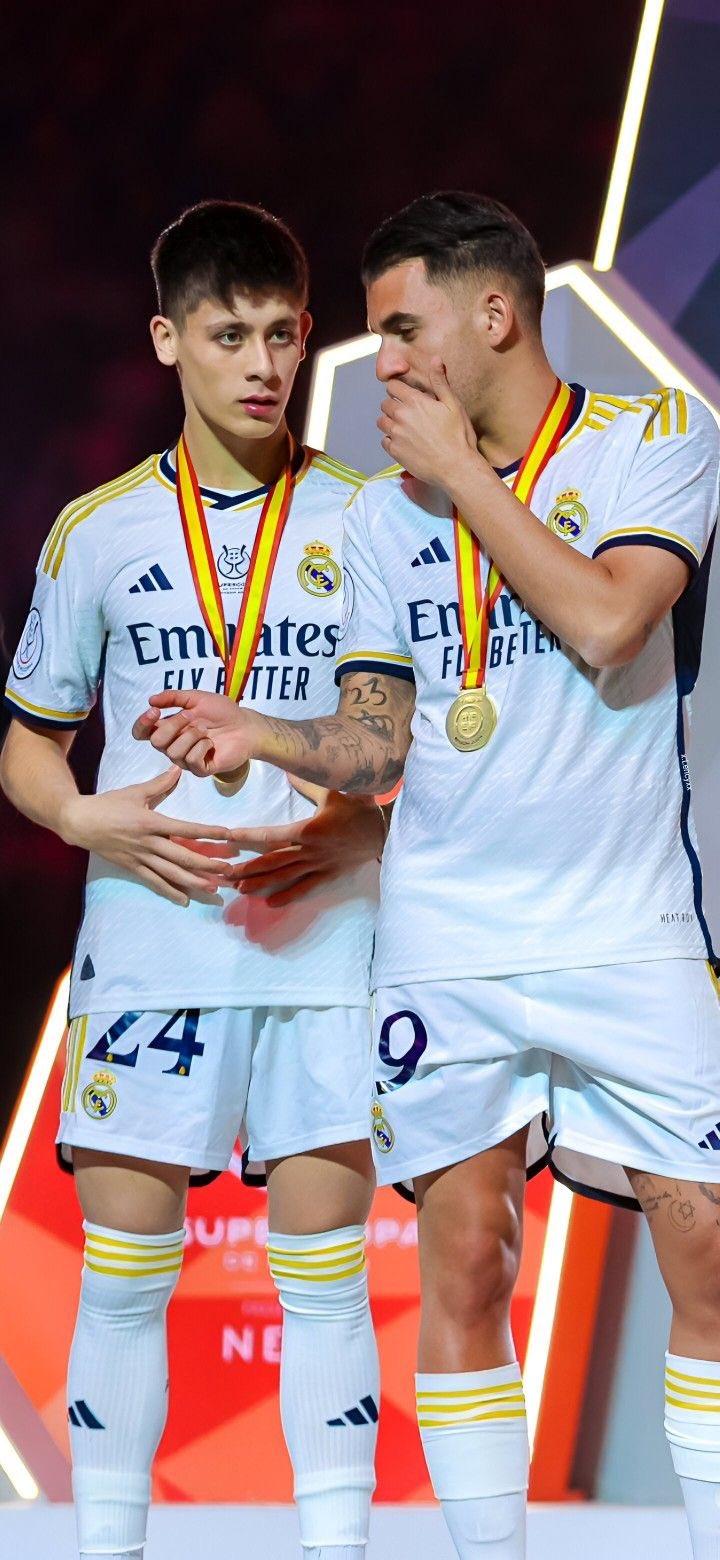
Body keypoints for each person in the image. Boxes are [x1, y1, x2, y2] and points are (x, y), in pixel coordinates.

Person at [137, 191, 720, 1560]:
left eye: (403, 330)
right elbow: (375, 739)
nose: (382, 361)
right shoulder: (383, 522)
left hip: (627, 930)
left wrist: (465, 477)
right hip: (446, 940)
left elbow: (608, 622)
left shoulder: (655, 440)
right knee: (465, 1261)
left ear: (495, 313)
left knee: (705, 1250)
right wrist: (264, 735)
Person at [1, 200, 384, 1560]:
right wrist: (83, 818)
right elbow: (29, 745)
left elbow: (424, 739)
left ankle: (339, 1548)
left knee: (325, 1279)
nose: (262, 365)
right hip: (153, 938)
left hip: (324, 940)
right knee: (124, 1278)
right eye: (229, 336)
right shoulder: (97, 530)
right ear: (167, 340)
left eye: (283, 334)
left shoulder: (372, 518)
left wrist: (368, 833)